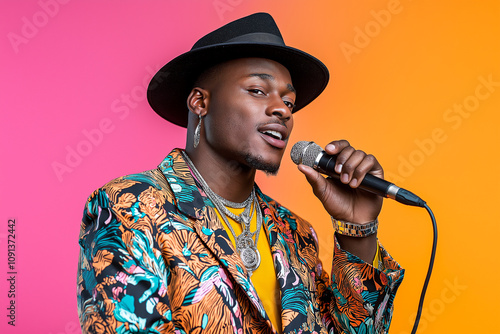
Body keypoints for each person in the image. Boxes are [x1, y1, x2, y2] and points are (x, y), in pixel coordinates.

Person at [77, 13, 404, 334]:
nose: (282, 110)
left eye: (289, 102)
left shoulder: (296, 233)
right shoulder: (128, 208)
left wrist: (358, 232)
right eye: (258, 91)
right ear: (200, 102)